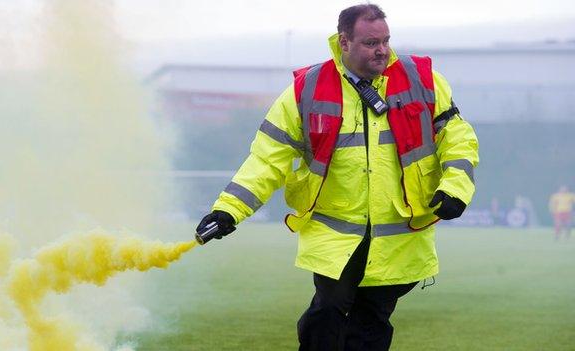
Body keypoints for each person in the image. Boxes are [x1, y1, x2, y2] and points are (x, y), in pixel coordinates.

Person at [196, 4, 479, 350]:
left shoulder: (422, 80)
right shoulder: (307, 90)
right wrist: (228, 210)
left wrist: (456, 189)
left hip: (398, 236)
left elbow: (458, 138)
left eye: (386, 41)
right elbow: (267, 160)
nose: (382, 50)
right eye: (371, 42)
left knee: (370, 324)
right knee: (327, 314)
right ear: (344, 42)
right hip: (336, 237)